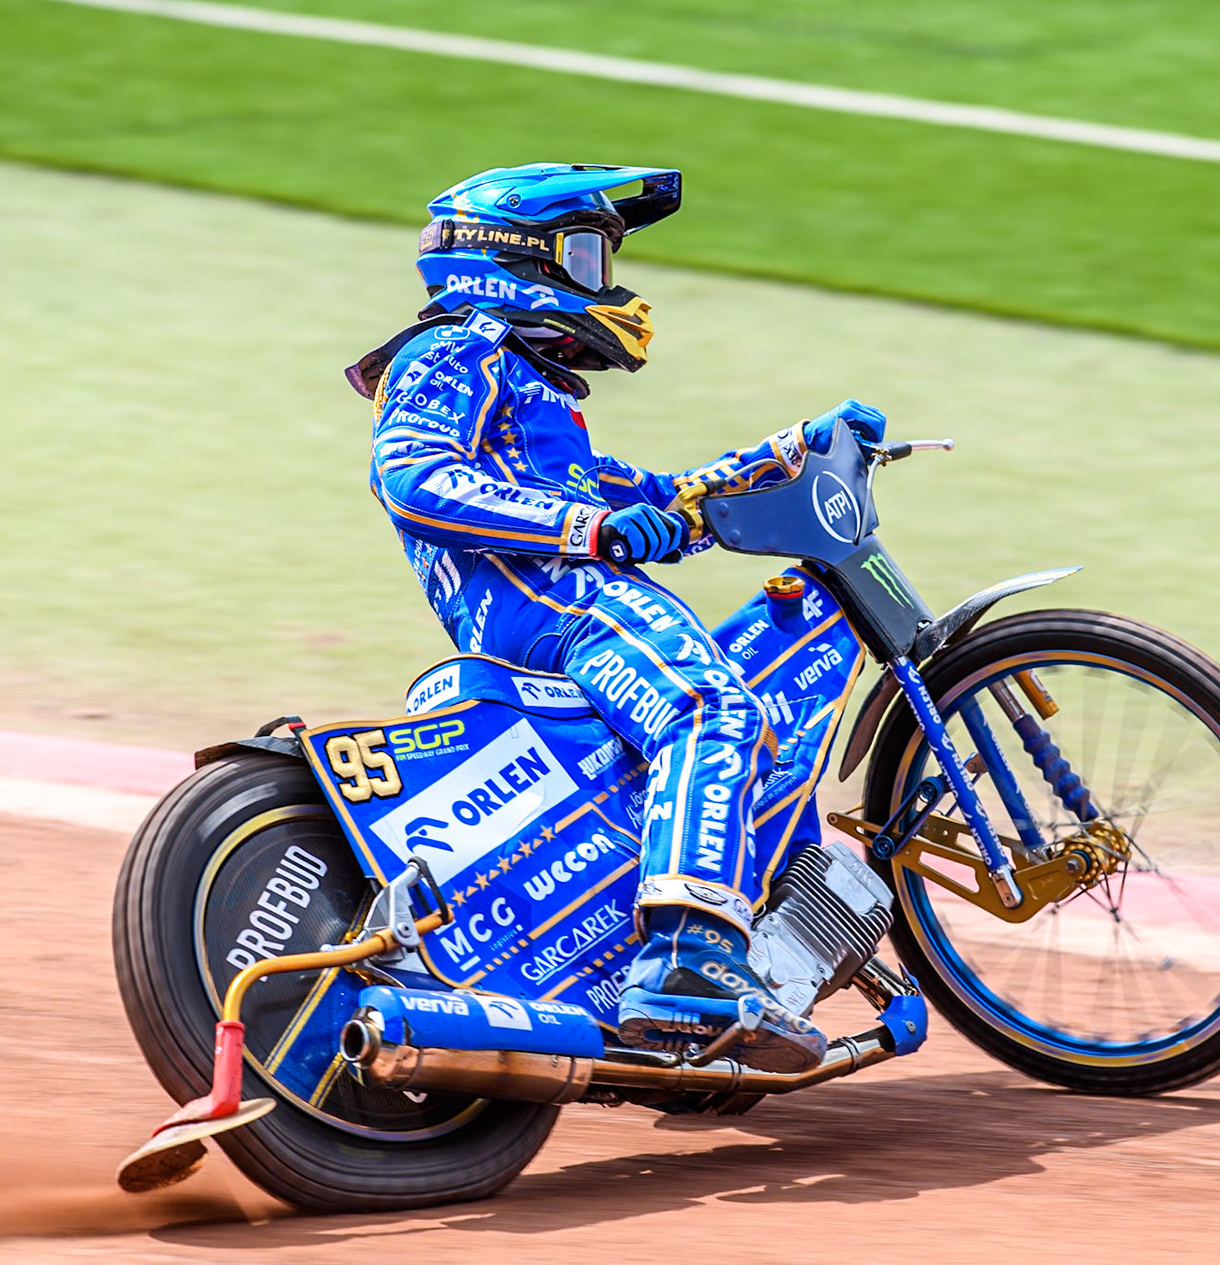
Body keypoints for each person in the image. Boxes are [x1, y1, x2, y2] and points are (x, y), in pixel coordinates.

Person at [346, 164, 884, 1072]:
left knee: (714, 715)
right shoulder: (455, 349)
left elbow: (669, 498)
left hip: (548, 593)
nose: (606, 283)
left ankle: (709, 942)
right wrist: (584, 528)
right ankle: (685, 961)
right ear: (510, 259)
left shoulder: (533, 394)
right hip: (546, 598)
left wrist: (792, 451)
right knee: (713, 709)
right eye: (587, 256)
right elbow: (415, 479)